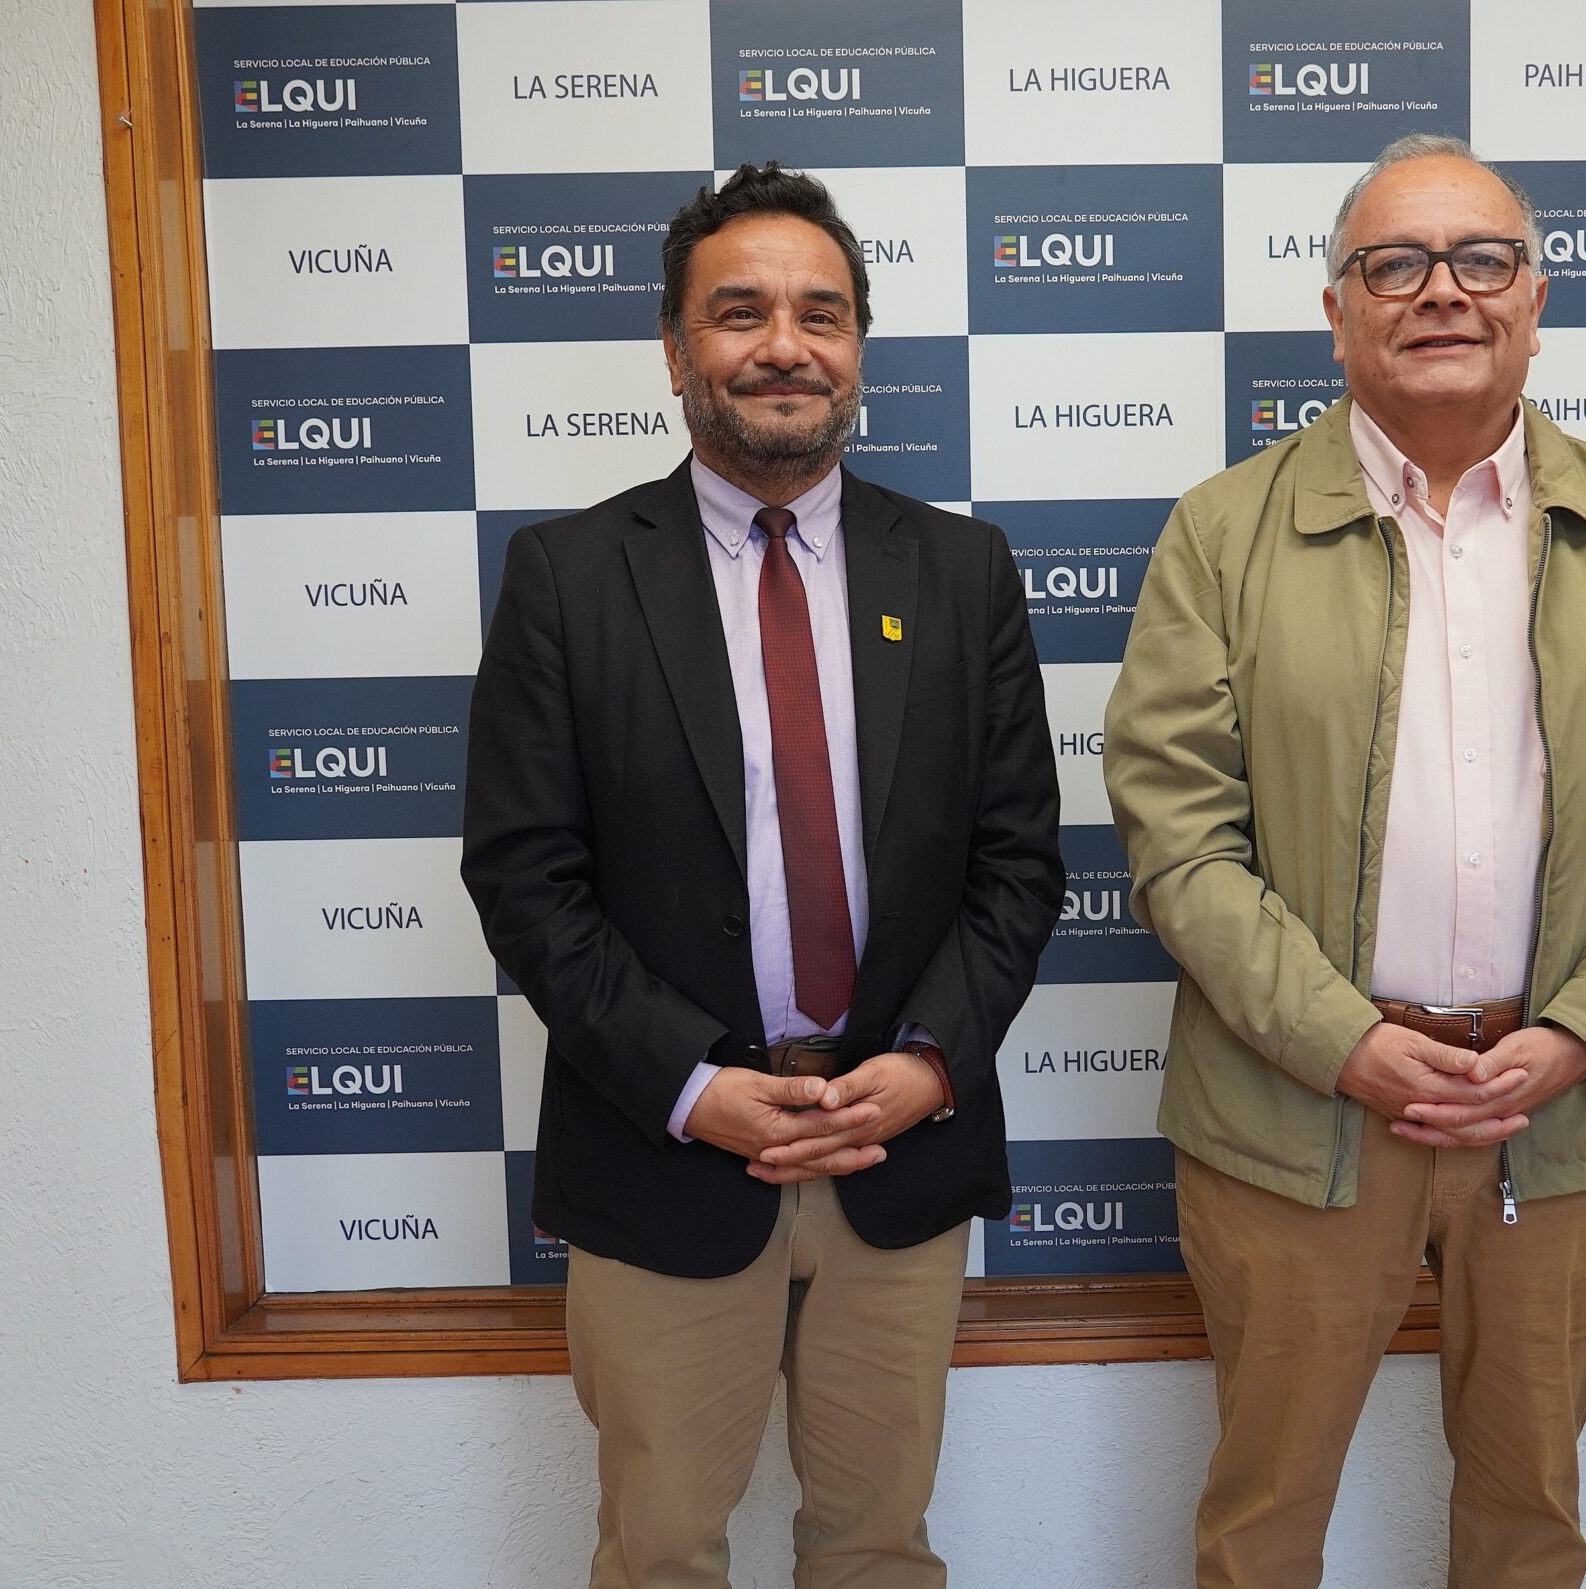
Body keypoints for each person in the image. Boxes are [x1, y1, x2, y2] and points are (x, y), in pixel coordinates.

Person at [1104, 133, 1586, 1588]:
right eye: (1394, 263)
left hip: (1565, 1118)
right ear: (1338, 310)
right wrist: (1340, 1042)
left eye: (1482, 259)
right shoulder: (1223, 534)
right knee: (1261, 1525)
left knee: (1531, 1525)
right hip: (1296, 1112)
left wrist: (1581, 1031)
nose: (1443, 292)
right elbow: (1177, 830)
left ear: (1536, 298)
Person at [461, 162, 1061, 1589]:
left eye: (821, 313)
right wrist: (691, 1086)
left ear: (858, 348)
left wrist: (927, 1065)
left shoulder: (964, 570)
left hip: (894, 1150)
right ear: (677, 351)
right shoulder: (568, 577)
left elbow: (1019, 862)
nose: (784, 345)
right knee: (660, 1551)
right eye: (740, 313)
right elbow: (527, 878)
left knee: (877, 1551)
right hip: (664, 1150)